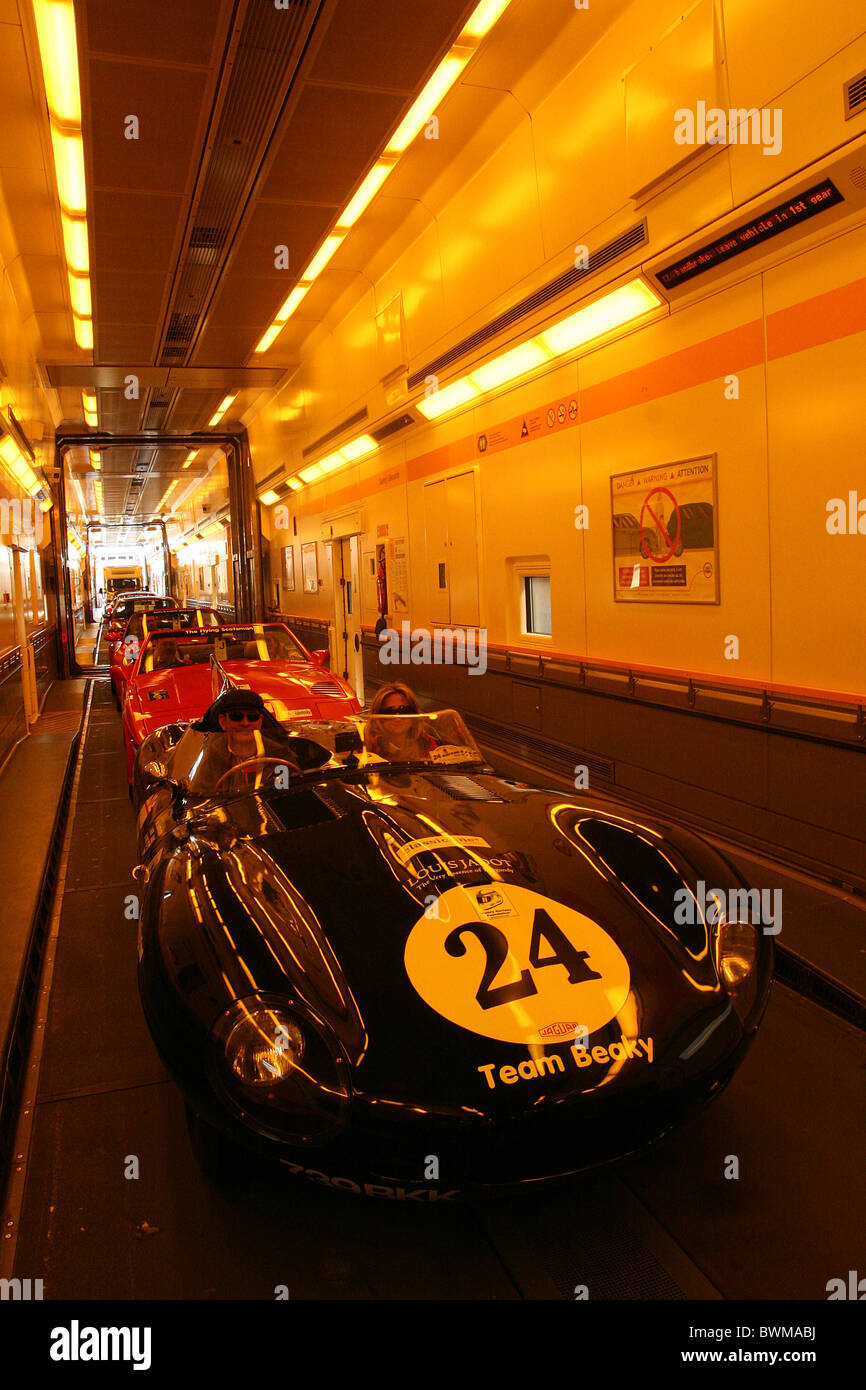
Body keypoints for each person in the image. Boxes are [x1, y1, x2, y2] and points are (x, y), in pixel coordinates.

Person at [365, 682, 436, 762]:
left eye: (404, 710)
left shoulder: (426, 742)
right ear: (378, 716)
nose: (397, 717)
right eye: (389, 711)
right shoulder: (368, 746)